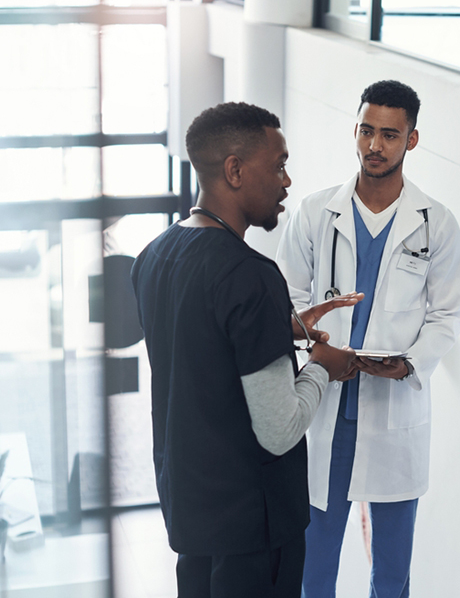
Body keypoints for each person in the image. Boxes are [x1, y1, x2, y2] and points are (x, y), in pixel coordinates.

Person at [131, 101, 361, 598]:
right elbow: (279, 429)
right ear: (234, 170)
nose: (287, 182)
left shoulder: (153, 257)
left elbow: (202, 351)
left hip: (192, 516)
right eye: (278, 165)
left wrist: (286, 328)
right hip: (252, 534)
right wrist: (323, 366)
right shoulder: (251, 275)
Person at [276, 80, 460, 597]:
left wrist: (409, 364)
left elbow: (449, 315)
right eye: (366, 131)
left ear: (412, 140)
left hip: (392, 414)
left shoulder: (437, 224)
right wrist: (311, 336)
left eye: (389, 134)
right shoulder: (316, 212)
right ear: (355, 131)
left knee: (390, 573)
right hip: (325, 413)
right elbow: (288, 297)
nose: (374, 145)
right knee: (312, 567)